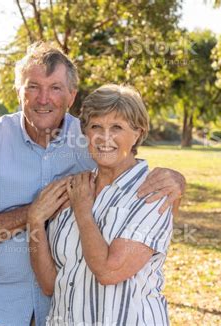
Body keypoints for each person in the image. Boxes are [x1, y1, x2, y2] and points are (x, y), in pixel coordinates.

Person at [0, 43, 185, 325]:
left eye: (55, 88)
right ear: (18, 92)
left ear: (71, 95)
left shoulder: (91, 143)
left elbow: (125, 159)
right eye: (32, 87)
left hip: (57, 309)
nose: (43, 99)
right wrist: (34, 214)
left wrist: (179, 181)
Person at [28, 84, 174, 325]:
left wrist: (83, 211)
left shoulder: (153, 193)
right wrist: (34, 221)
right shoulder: (74, 187)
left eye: (117, 127)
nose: (105, 137)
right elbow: (49, 283)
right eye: (96, 126)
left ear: (137, 133)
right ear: (85, 131)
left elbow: (108, 271)